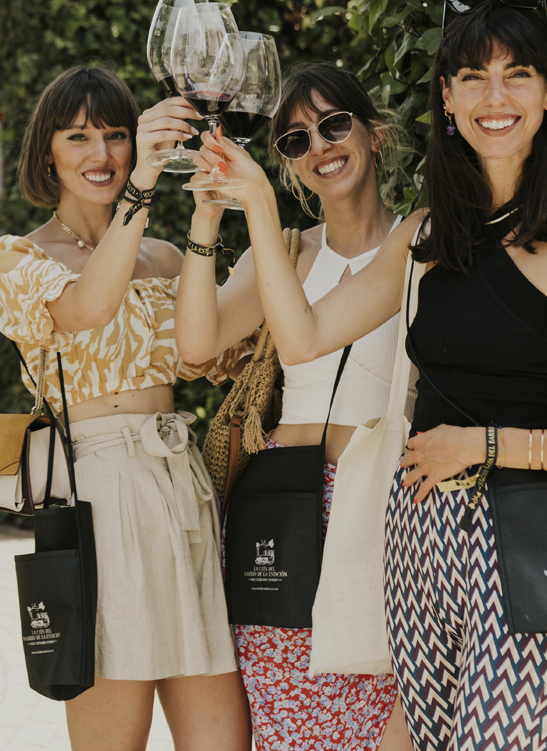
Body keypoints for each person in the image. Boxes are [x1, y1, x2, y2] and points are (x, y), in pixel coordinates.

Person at [207, 2, 547, 751]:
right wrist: (262, 206)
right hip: (418, 538)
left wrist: (487, 446)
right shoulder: (426, 235)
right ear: (448, 99)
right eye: (473, 79)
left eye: (516, 76)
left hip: (529, 539)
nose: (495, 98)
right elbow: (301, 339)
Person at [0, 66, 252, 748]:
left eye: (116, 136)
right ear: (48, 152)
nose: (100, 155)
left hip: (182, 485)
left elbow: (222, 360)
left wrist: (220, 220)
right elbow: (86, 307)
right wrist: (141, 190)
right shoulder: (16, 258)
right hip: (96, 492)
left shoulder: (165, 257)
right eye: (78, 137)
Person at [173, 64, 409, 750]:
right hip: (281, 504)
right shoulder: (287, 251)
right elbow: (198, 343)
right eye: (295, 140)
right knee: (284, 716)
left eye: (334, 124)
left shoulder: (417, 240)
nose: (319, 147)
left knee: (374, 710)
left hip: (377, 508)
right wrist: (209, 216)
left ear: (376, 134)